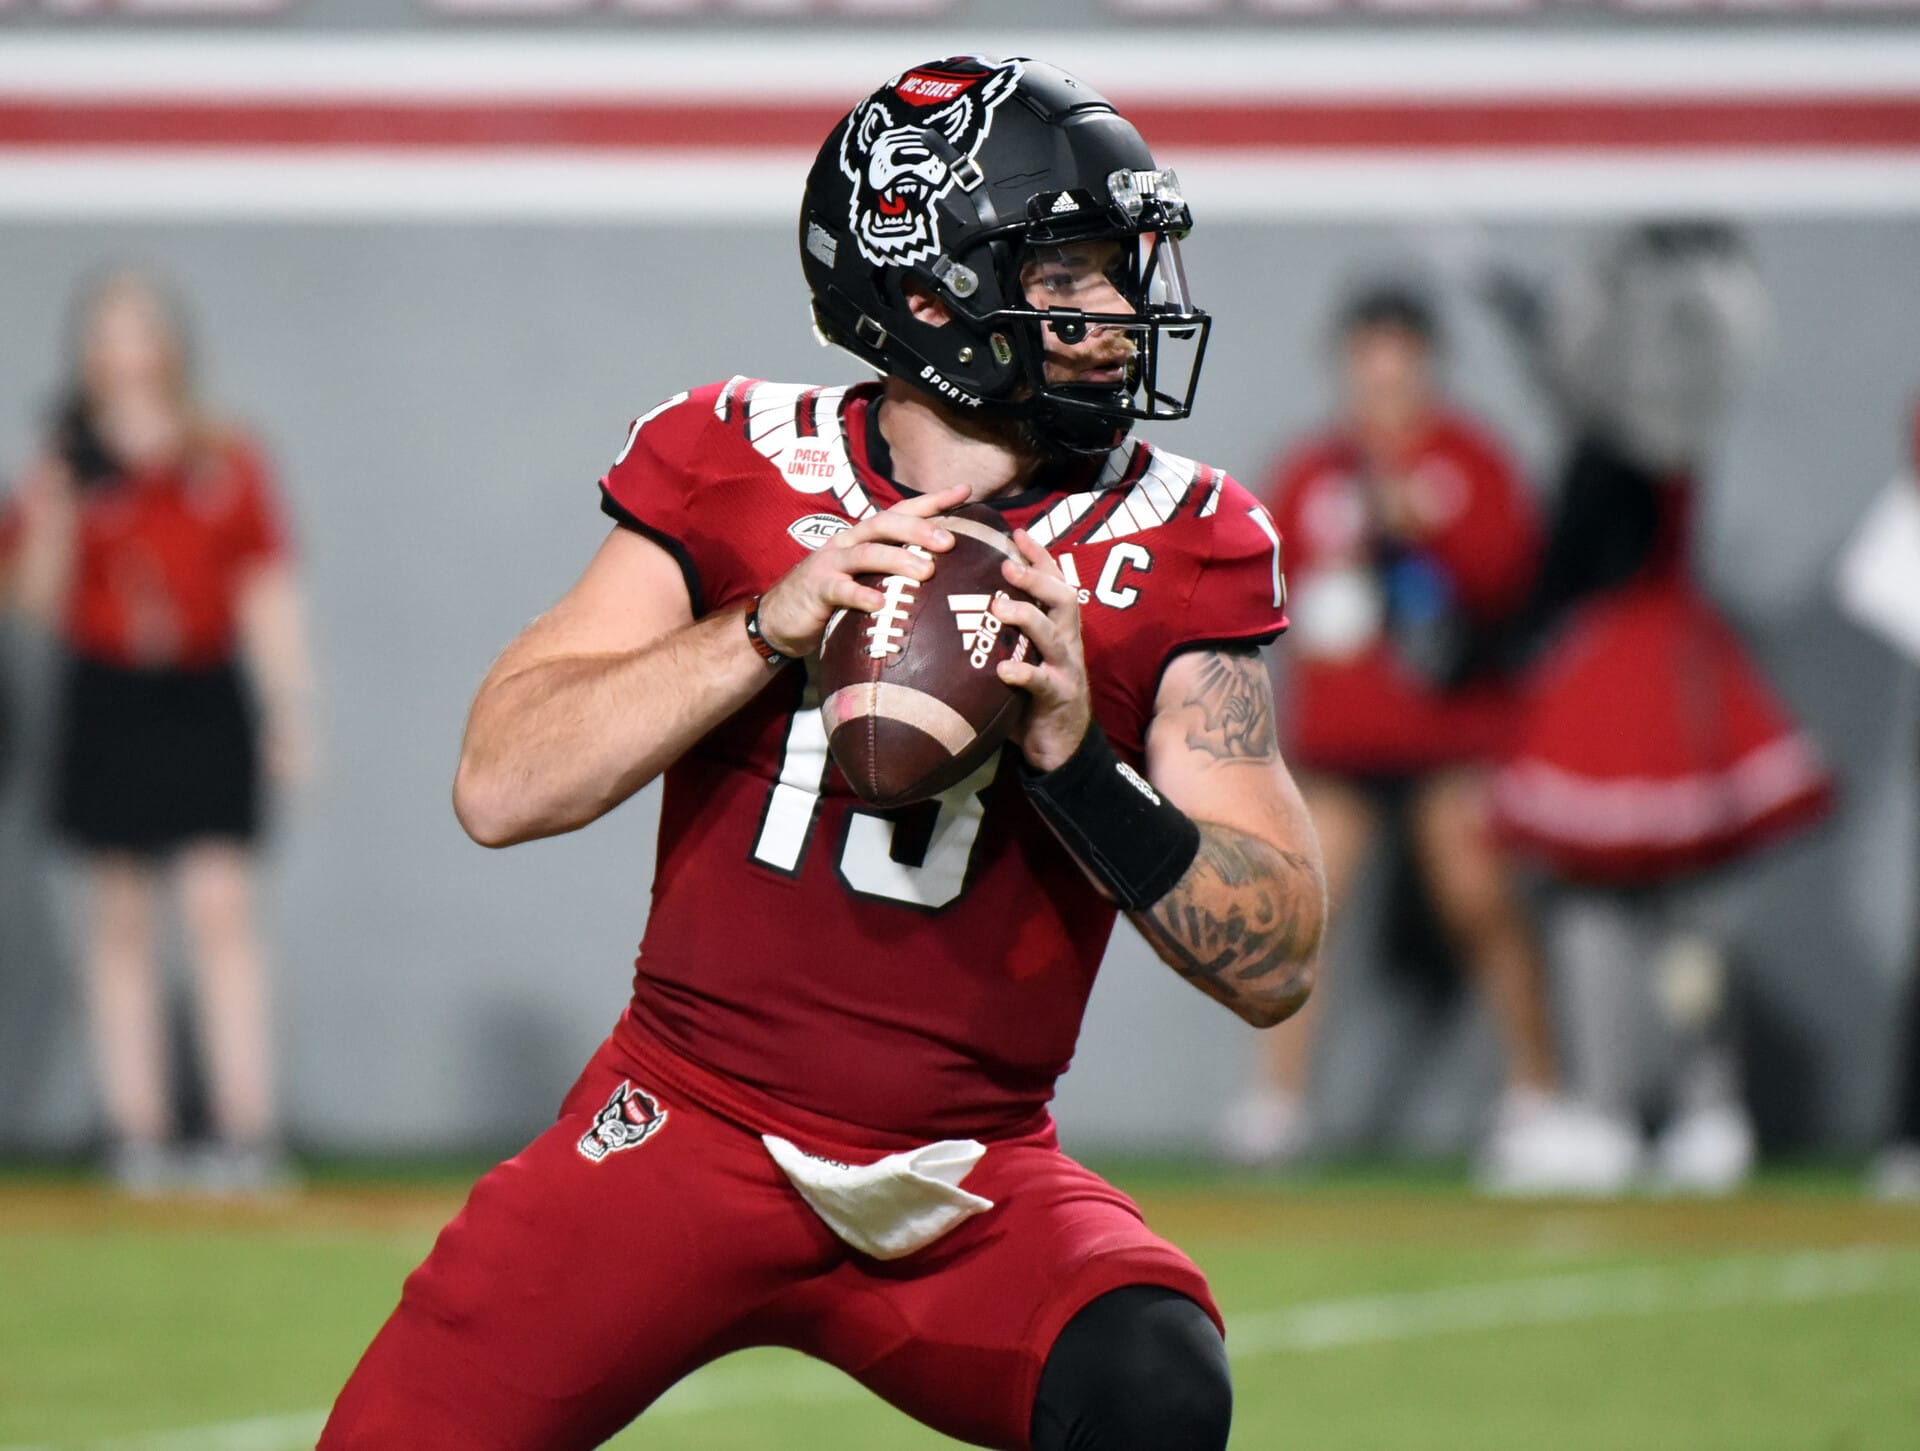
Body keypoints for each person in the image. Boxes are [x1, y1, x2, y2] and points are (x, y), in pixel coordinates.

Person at [321, 56, 1323, 1451]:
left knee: (1155, 1381)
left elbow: (1276, 956)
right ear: (927, 296)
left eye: (1123, 273)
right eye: (1070, 276)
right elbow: (500, 782)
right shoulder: (737, 462)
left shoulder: (1183, 538)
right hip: (679, 1124)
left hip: (968, 1178)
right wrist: (763, 627)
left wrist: (1074, 752)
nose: (1121, 317)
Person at [1221, 281, 1619, 1190]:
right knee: (1297, 910)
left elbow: (1510, 585)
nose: (1384, 387)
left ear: (1426, 368)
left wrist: (1423, 544)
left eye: (1400, 367)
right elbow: (1272, 587)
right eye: (1369, 367)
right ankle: (1275, 1106)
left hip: (1451, 734)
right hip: (1346, 742)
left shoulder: (1470, 463)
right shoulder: (1314, 470)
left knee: (1479, 896)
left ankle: (1537, 1093)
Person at [1486, 222, 1833, 1193]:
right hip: (1679, 666)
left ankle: (1610, 1109)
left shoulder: (1633, 435)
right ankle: (1706, 1104)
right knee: (1685, 916)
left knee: (1605, 907)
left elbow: (1565, 558)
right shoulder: (1663, 427)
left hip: (1622, 671)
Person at [0, 268, 314, 1194]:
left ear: (169, 348)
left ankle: (245, 1132)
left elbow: (266, 588)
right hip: (109, 695)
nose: (124, 354)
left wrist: (289, 707)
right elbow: (35, 601)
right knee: (121, 919)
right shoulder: (67, 467)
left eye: (138, 333)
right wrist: (55, 500)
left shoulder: (223, 458)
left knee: (220, 909)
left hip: (204, 691)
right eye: (106, 336)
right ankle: (136, 1134)